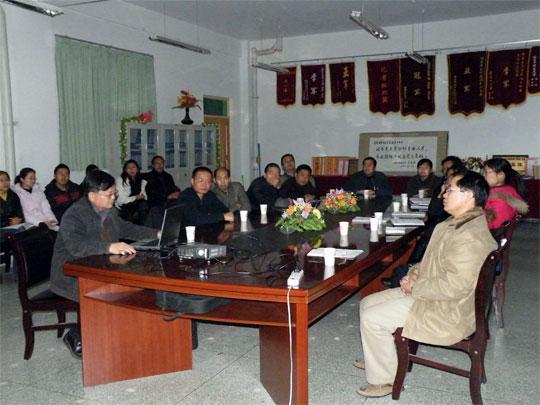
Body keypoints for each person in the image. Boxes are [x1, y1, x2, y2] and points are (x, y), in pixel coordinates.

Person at [355, 171, 497, 398]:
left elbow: (455, 286)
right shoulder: (457, 222)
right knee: (367, 303)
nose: (443, 194)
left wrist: (416, 287)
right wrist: (413, 273)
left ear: (468, 195)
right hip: (434, 294)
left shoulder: (470, 236)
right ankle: (382, 358)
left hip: (447, 309)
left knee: (373, 317)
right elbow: (433, 260)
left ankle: (385, 380)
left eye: (449, 189)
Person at [50, 170, 158, 359]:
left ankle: (127, 332)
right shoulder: (74, 215)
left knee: (136, 282)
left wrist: (155, 233)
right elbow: (77, 247)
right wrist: (109, 246)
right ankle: (77, 333)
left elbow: (125, 228)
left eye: (114, 194)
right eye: (109, 195)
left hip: (99, 265)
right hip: (70, 274)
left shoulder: (108, 210)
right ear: (92, 196)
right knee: (108, 291)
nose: (113, 198)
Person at [483, 158, 528, 230]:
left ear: (500, 175)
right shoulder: (509, 189)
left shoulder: (498, 198)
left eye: (486, 172)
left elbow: (497, 226)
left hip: (490, 233)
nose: (483, 175)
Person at [143, 155, 180, 228]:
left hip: (169, 201)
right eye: (157, 163)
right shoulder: (148, 177)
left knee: (181, 203)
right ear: (153, 165)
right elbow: (151, 193)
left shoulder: (168, 176)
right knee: (157, 209)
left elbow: (173, 187)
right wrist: (167, 196)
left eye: (162, 163)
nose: (160, 165)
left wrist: (177, 191)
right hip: (156, 202)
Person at [115, 159, 149, 224]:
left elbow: (144, 194)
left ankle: (143, 227)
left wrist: (143, 197)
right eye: (129, 168)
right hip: (125, 204)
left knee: (144, 205)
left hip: (138, 203)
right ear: (125, 170)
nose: (131, 169)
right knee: (141, 207)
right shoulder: (120, 180)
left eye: (133, 167)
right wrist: (136, 197)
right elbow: (120, 200)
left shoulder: (140, 179)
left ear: (137, 169)